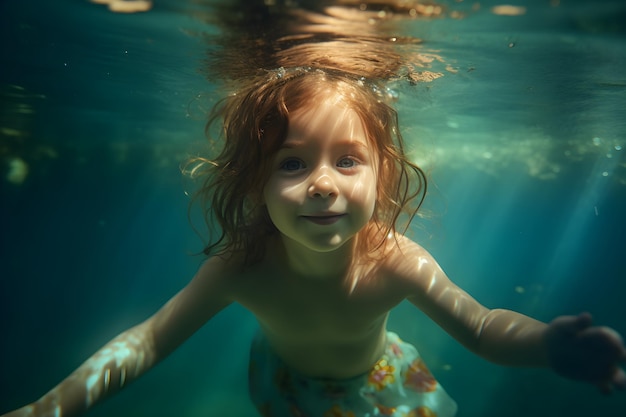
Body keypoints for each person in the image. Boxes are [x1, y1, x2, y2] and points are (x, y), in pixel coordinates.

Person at [2, 66, 625, 417]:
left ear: (384, 175)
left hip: (386, 388)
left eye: (348, 161)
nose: (323, 185)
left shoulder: (396, 262)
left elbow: (484, 327)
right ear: (256, 184)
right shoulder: (241, 266)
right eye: (291, 163)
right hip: (282, 388)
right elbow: (148, 340)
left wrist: (547, 345)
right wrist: (49, 408)